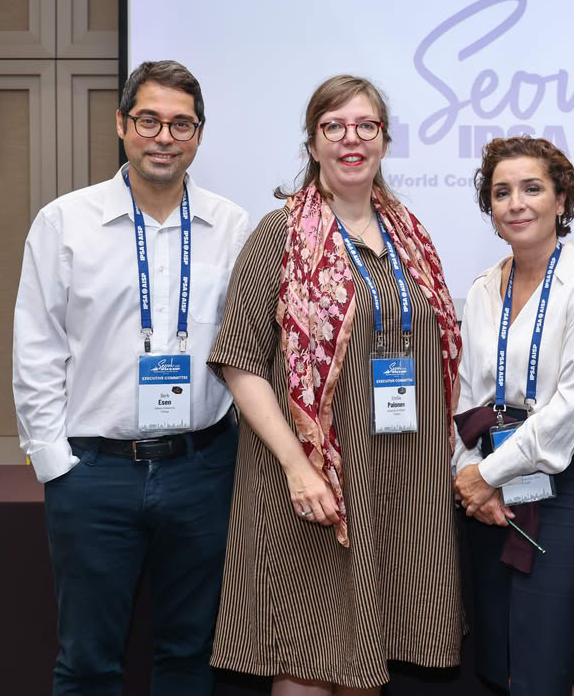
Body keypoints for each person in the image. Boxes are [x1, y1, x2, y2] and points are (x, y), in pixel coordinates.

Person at [206, 75, 463, 695]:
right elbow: (241, 363)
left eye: (366, 127)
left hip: (397, 474)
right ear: (312, 143)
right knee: (313, 653)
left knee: (366, 655)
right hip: (311, 480)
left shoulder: (410, 236)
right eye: (334, 127)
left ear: (384, 141)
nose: (352, 140)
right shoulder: (280, 234)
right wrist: (298, 467)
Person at [13, 60, 250, 695]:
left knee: (189, 654)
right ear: (122, 125)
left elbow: (252, 347)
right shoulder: (65, 222)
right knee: (88, 662)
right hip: (95, 472)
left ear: (199, 135)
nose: (164, 136)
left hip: (202, 470)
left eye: (181, 124)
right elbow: (37, 348)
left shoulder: (233, 227)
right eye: (149, 120)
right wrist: (54, 463)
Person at [452, 136, 574, 696]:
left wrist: (487, 475)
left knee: (543, 664)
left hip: (570, 488)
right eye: (501, 193)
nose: (516, 203)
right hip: (492, 494)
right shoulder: (482, 288)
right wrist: (469, 477)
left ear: (561, 200)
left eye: (532, 188)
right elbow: (465, 396)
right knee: (501, 663)